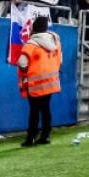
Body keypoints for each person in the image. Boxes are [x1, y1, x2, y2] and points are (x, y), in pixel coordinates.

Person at [17, 16, 62, 147]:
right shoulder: (56, 41)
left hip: (35, 84)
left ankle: (31, 138)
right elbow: (60, 60)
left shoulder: (31, 44)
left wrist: (26, 70)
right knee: (46, 109)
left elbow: (21, 62)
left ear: (34, 28)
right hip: (51, 82)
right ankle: (46, 136)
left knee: (34, 111)